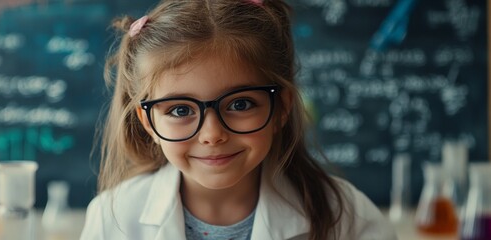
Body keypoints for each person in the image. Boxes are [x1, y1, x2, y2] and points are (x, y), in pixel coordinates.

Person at [80, 0, 398, 239]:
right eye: (180, 110)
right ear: (149, 122)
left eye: (241, 103)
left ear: (282, 107)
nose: (212, 134)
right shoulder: (115, 218)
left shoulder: (348, 217)